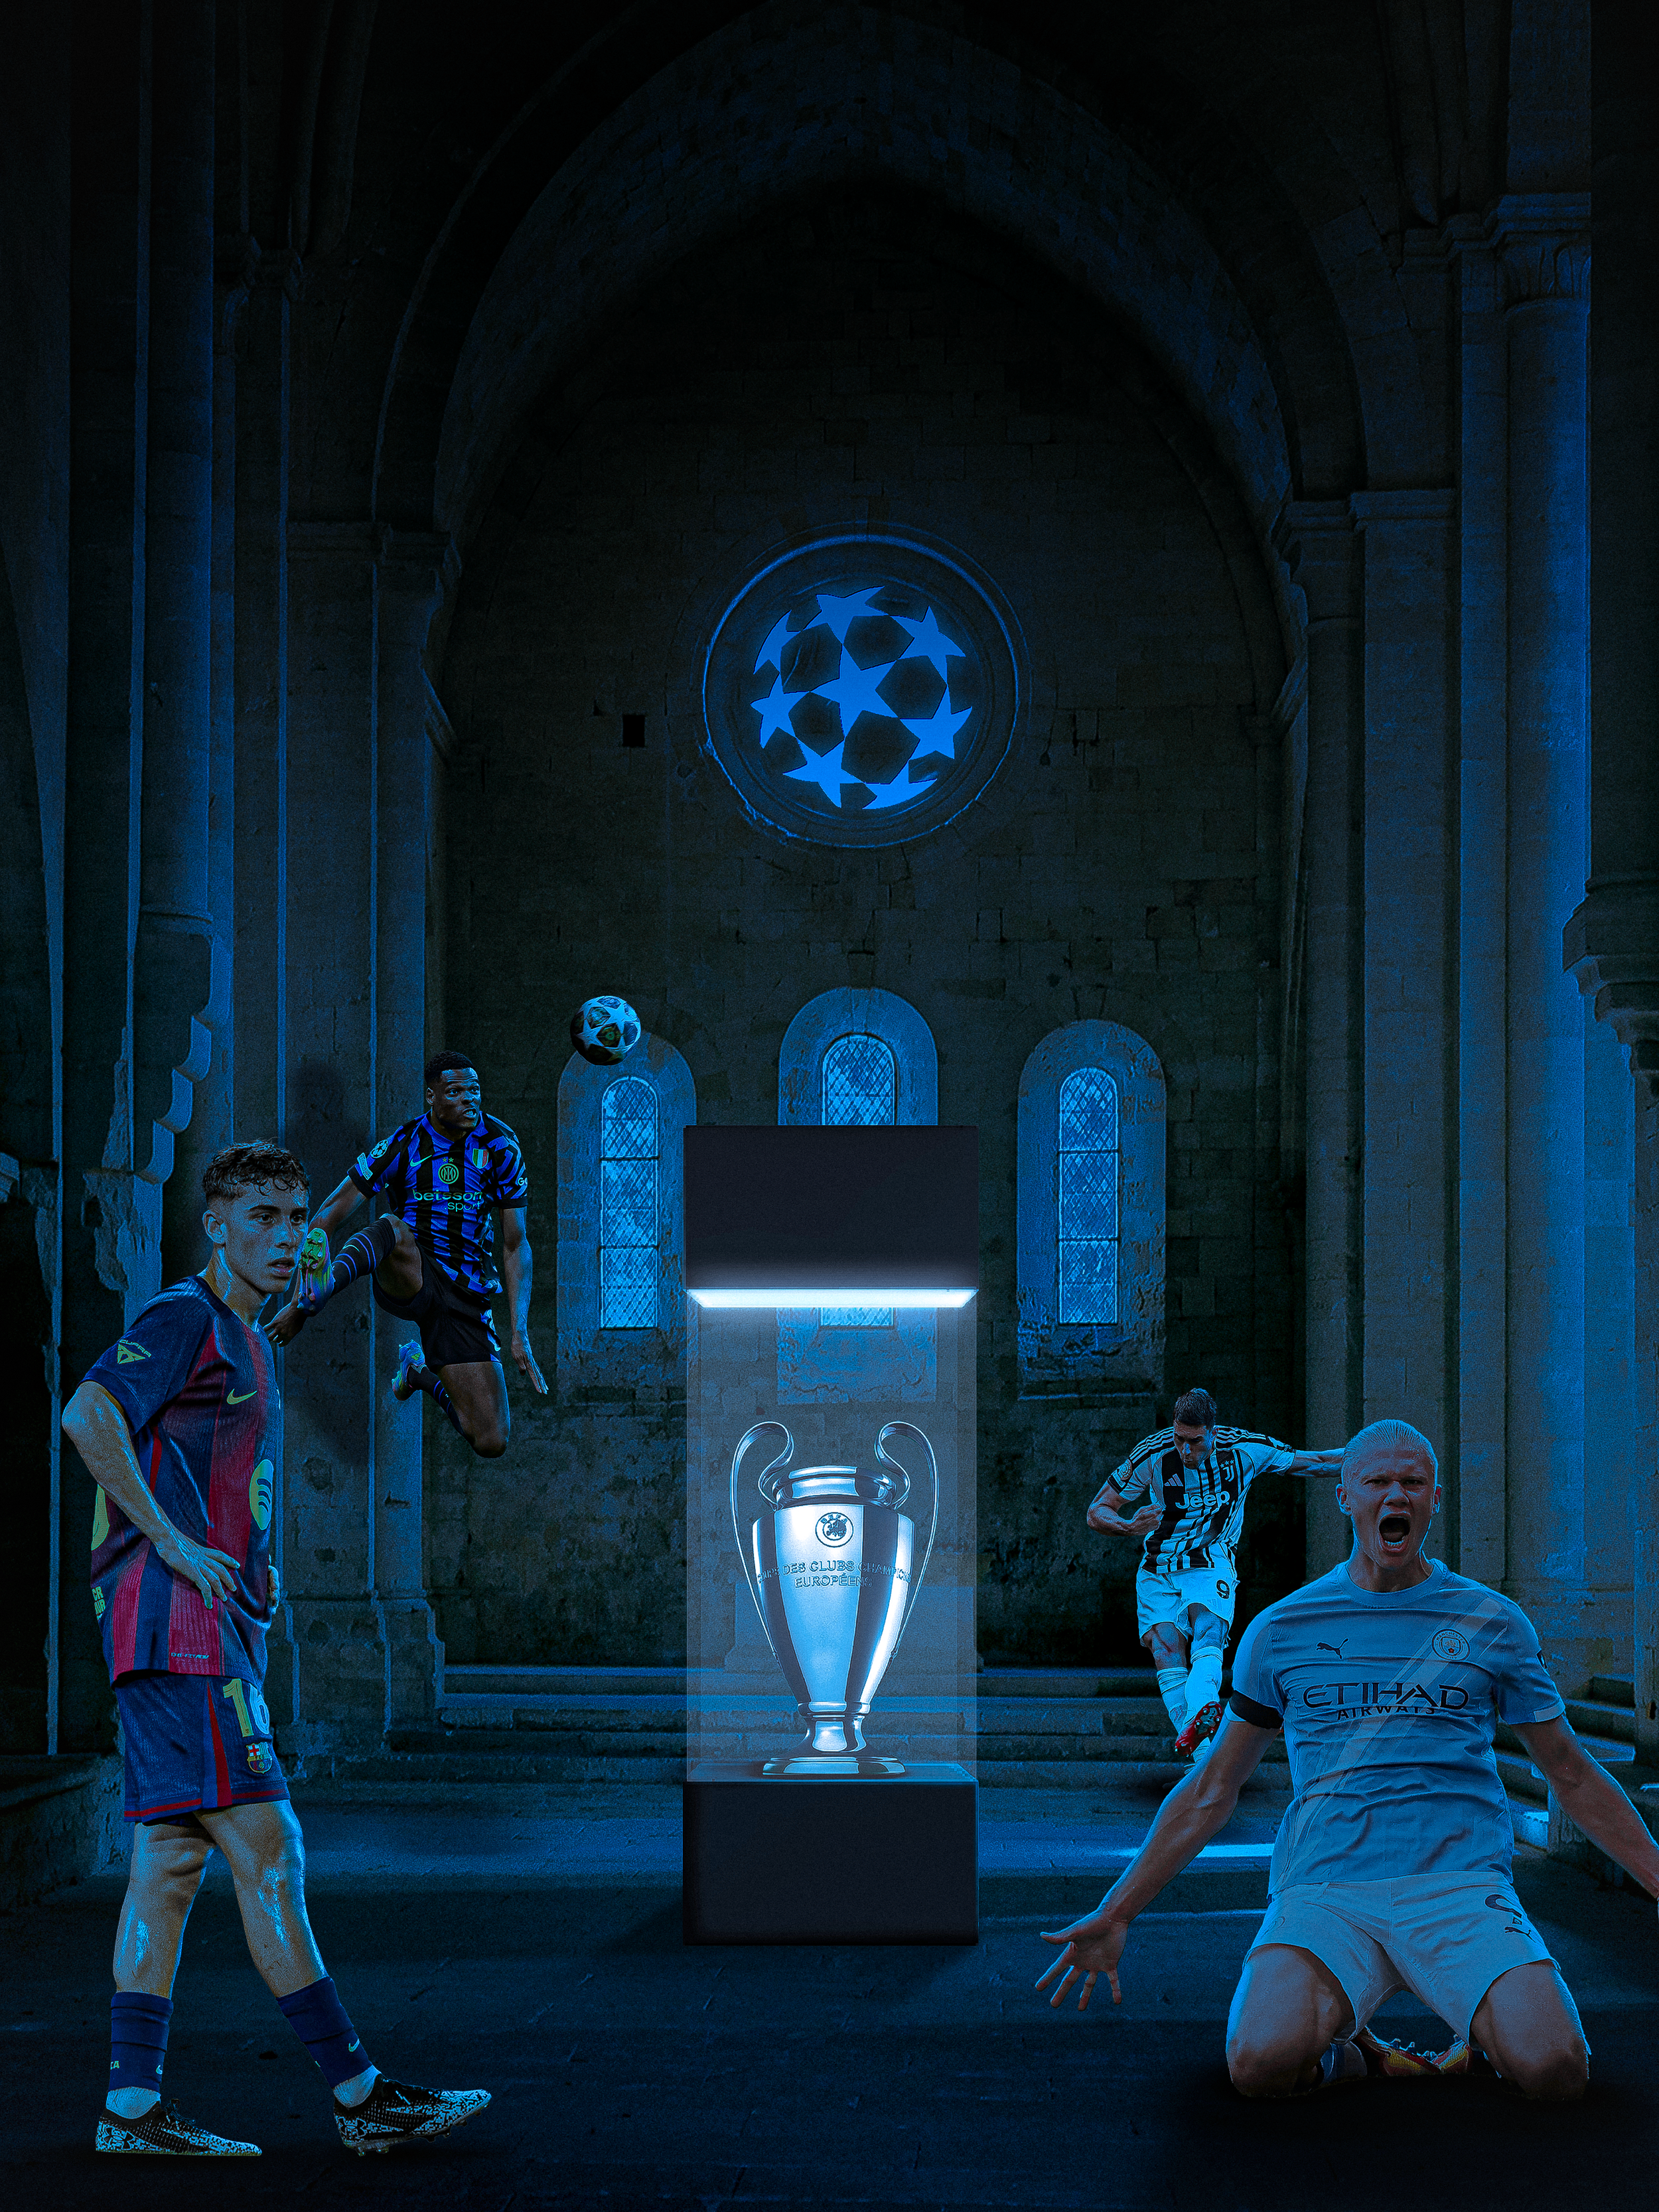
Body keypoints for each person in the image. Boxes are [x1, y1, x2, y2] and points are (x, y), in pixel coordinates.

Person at [62, 1140, 492, 2158]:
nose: (283, 1234)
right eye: (259, 1215)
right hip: (179, 1632)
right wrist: (174, 1545)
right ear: (216, 1223)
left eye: (296, 1215)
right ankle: (359, 2095)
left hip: (205, 1630)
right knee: (272, 1850)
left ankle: (129, 2109)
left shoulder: (252, 1340)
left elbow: (227, 1478)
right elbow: (86, 1413)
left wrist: (257, 1570)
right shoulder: (186, 1316)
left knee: (168, 1862)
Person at [1040, 1418, 1659, 2099]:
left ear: (1434, 1501)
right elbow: (1213, 1789)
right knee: (1259, 2065)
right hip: (1325, 1889)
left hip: (1456, 1884)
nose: (1395, 1494)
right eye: (1377, 1481)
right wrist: (1119, 1908)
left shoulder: (1494, 1623)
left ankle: (1481, 2042)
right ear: (1346, 1497)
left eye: (1412, 1482)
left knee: (1556, 2070)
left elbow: (1570, 1772)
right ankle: (1356, 2054)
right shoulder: (1281, 1629)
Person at [269, 1051, 545, 1457]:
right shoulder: (403, 1143)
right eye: (455, 1091)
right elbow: (331, 1210)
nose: (470, 1099)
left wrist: (519, 1329)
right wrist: (299, 1299)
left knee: (491, 1439)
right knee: (393, 1228)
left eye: (475, 1090)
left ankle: (417, 1372)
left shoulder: (501, 1147)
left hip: (464, 1295)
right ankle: (322, 1291)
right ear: (431, 1096)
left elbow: (515, 1244)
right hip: (408, 1270)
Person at [1086, 1386, 1344, 1758]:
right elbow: (1098, 1510)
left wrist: (1375, 1457)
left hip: (1210, 1560)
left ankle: (1204, 1704)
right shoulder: (1154, 1454)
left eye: (1194, 1442)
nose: (1185, 1451)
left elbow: (1316, 1462)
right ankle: (1201, 1751)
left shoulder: (1244, 1450)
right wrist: (1128, 1526)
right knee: (1165, 1651)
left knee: (1208, 1631)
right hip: (1158, 1565)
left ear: (1213, 1431)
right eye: (1179, 1440)